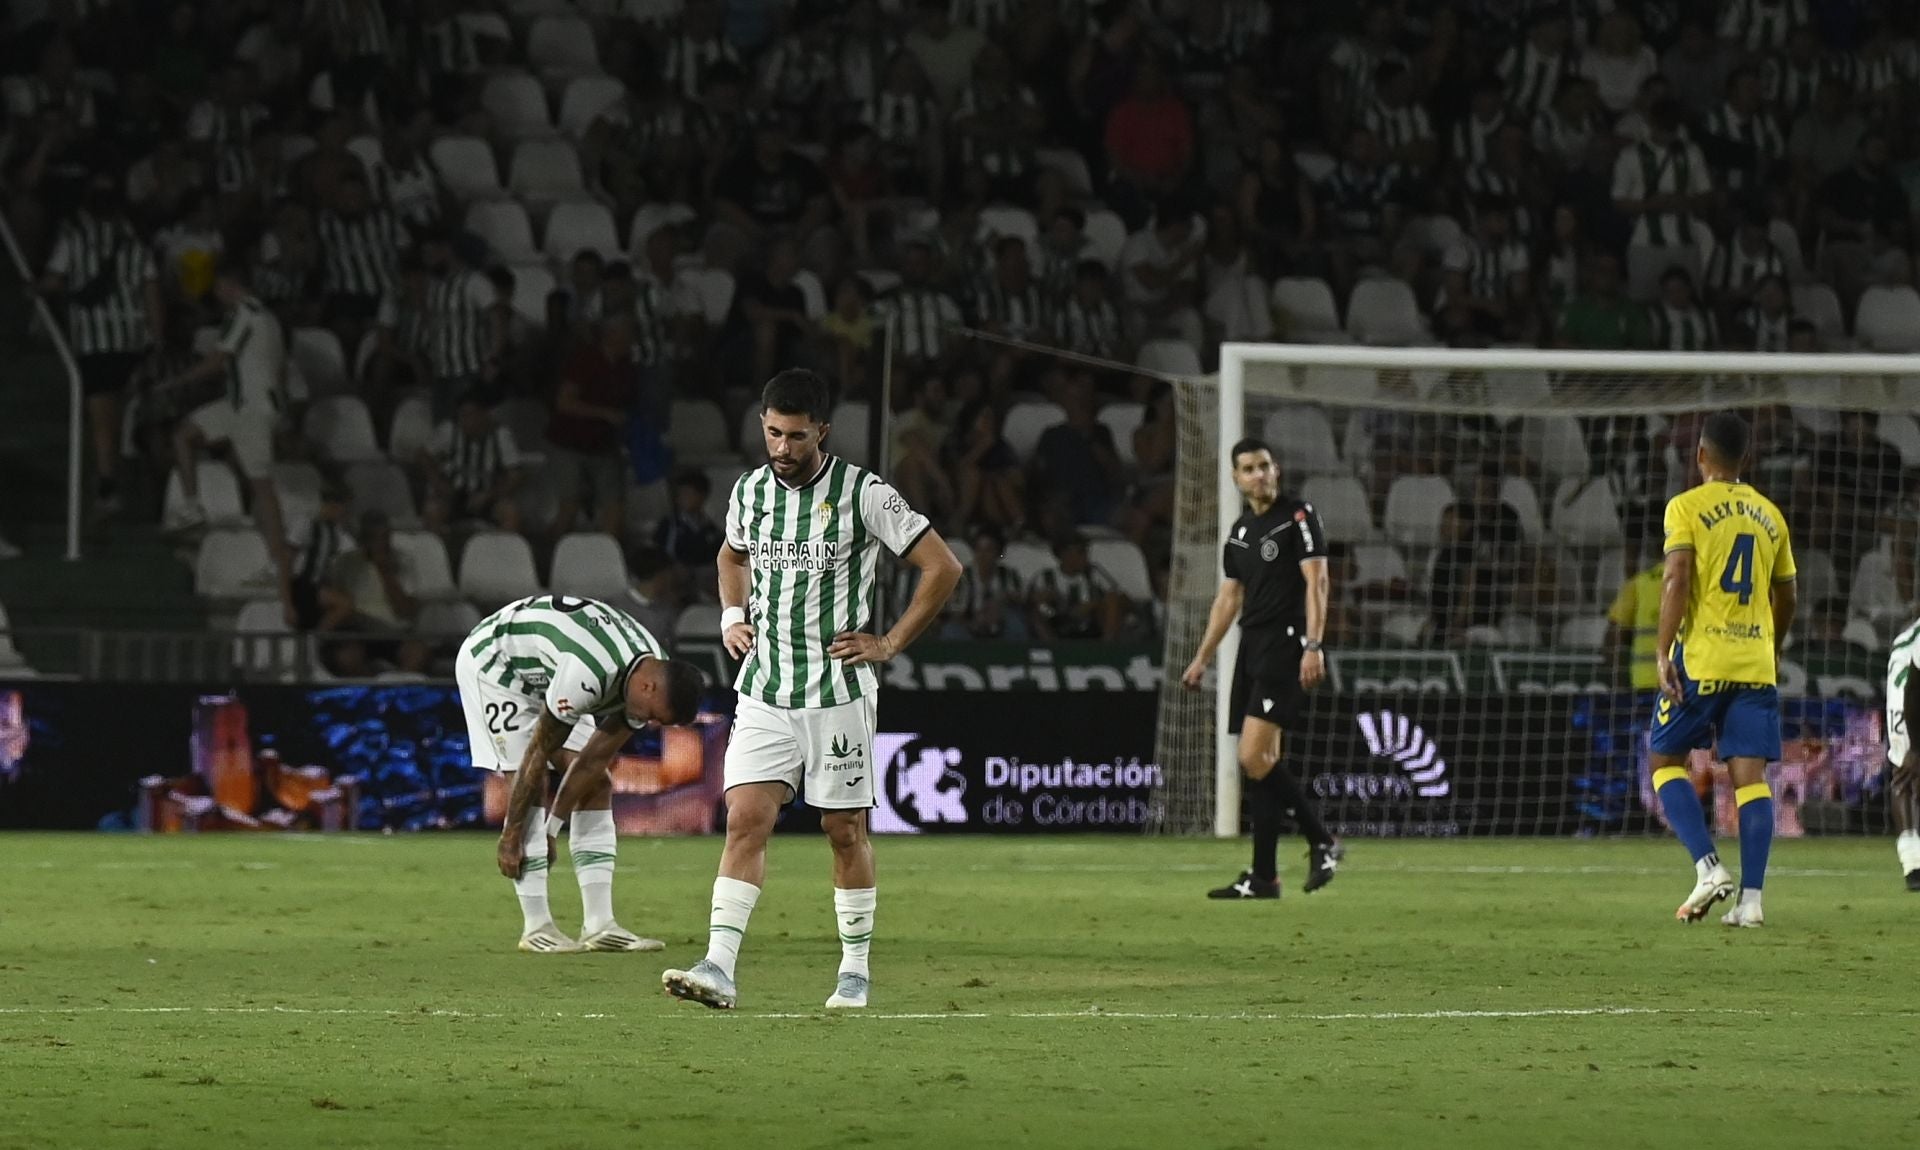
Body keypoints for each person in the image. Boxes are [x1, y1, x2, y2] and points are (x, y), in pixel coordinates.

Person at [662, 368, 961, 1011]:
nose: (782, 449)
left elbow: (943, 565)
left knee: (843, 830)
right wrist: (730, 616)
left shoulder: (864, 493)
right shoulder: (749, 492)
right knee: (745, 820)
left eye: (796, 437)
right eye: (773, 433)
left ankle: (854, 970)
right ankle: (718, 965)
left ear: (821, 431)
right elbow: (731, 556)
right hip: (766, 687)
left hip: (837, 691)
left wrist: (888, 643)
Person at [457, 593, 706, 953]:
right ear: (648, 688)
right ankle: (537, 925)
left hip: (547, 674)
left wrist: (553, 829)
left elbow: (591, 762)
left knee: (598, 783)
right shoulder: (588, 674)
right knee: (531, 781)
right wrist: (511, 836)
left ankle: (600, 925)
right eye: (654, 716)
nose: (648, 724)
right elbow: (536, 755)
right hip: (497, 666)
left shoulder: (649, 675)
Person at [1649, 412, 1797, 927]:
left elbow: (1677, 576)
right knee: (1750, 780)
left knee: (1663, 762)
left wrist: (1663, 649)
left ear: (1701, 456)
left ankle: (1709, 867)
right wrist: (1771, 646)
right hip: (1755, 662)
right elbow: (1788, 593)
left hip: (1703, 660)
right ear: (1746, 459)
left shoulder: (1685, 507)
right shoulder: (1770, 515)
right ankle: (1751, 901)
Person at [1180, 438, 1341, 899]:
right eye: (1249, 468)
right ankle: (1264, 876)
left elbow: (1318, 581)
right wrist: (1202, 658)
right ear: (1236, 478)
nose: (1259, 475)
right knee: (1264, 763)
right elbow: (1229, 598)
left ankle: (1324, 840)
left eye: (1265, 465)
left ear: (1277, 469)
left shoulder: (1298, 516)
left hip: (1287, 646)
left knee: (1252, 757)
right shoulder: (1241, 532)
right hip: (1253, 649)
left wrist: (1313, 644)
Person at [171, 264, 298, 628]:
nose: (217, 295)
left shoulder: (244, 314)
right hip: (239, 405)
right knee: (185, 434)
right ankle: (193, 507)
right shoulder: (269, 318)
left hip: (252, 410)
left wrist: (177, 383)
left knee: (263, 488)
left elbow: (217, 361)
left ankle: (278, 565)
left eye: (220, 287)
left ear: (232, 284)